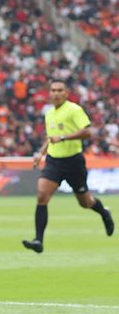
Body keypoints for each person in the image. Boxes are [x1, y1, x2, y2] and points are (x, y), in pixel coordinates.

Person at [23, 78, 113, 253]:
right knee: (42, 195)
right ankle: (38, 240)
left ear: (66, 93)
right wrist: (40, 154)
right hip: (54, 161)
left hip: (73, 162)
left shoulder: (74, 109)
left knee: (85, 202)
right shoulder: (49, 113)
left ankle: (104, 213)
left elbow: (87, 132)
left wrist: (64, 137)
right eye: (53, 90)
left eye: (59, 90)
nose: (56, 93)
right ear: (49, 93)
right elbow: (50, 138)